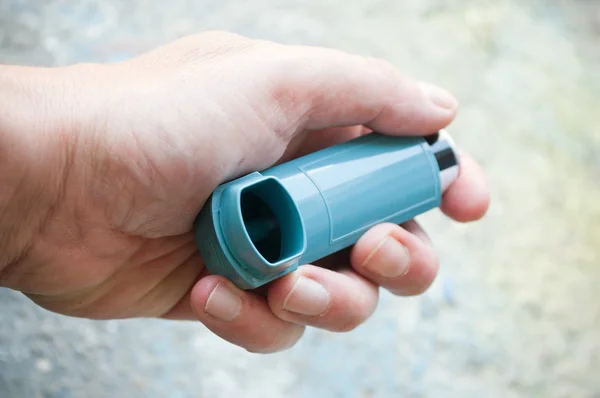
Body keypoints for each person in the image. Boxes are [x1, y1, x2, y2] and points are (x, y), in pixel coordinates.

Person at [0, 31, 489, 353]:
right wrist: (62, 167)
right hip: (245, 233)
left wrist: (54, 184)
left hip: (244, 227)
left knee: (335, 277)